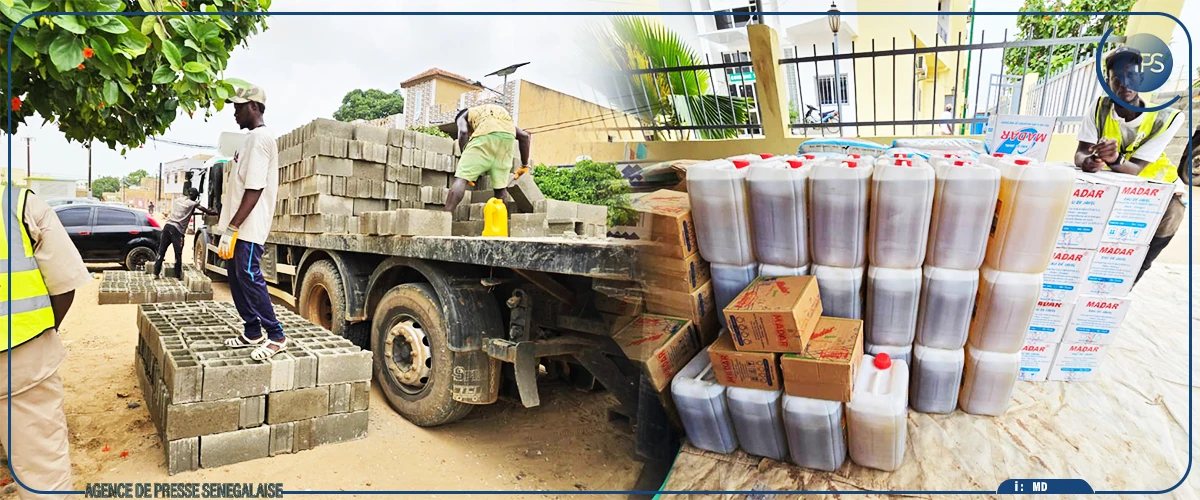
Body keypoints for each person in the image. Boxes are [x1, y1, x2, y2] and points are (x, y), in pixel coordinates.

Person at [0, 185, 91, 499]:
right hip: (21, 357)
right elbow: (65, 285)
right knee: (43, 476)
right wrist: (42, 333)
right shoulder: (16, 202)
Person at [1074, 47, 1185, 284]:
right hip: (1118, 185)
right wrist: (1091, 162)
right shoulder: (1099, 108)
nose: (1125, 83)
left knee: (1143, 253)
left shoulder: (1167, 118)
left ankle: (1124, 288)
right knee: (1094, 247)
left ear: (1142, 79)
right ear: (1108, 81)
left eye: (1132, 75)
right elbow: (1081, 154)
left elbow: (1135, 169)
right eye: (1117, 78)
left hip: (1160, 190)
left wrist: (1114, 159)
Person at [217, 83, 286, 360]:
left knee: (248, 275)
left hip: (248, 227)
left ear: (254, 107)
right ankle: (252, 331)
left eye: (238, 107)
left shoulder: (261, 139)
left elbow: (255, 189)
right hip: (237, 227)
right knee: (235, 277)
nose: (234, 113)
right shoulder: (248, 140)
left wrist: (233, 227)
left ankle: (276, 335)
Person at [444, 103, 532, 213]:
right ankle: (500, 226)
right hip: (507, 142)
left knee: (461, 179)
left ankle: (444, 219)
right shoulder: (496, 118)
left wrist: (466, 158)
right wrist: (524, 165)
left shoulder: (463, 116)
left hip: (484, 138)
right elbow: (524, 136)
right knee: (500, 188)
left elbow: (463, 132)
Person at [154, 188, 216, 279]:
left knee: (161, 251)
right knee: (178, 254)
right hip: (177, 231)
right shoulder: (193, 203)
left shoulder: (178, 200)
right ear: (194, 196)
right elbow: (206, 211)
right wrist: (213, 212)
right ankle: (177, 275)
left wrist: (192, 213)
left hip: (167, 227)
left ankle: (155, 273)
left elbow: (184, 211)